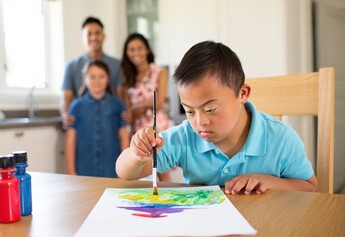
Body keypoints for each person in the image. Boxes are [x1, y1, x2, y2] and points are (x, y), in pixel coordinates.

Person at [116, 40, 318, 194]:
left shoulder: (280, 138)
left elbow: (310, 188)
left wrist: (267, 181)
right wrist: (136, 154)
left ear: (242, 94)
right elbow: (125, 172)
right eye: (189, 111)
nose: (200, 121)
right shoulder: (185, 137)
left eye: (210, 109)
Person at [65, 60, 129, 178]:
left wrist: (123, 171)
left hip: (111, 169)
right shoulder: (76, 106)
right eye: (92, 77)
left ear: (108, 78)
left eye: (101, 76)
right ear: (85, 79)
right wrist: (71, 172)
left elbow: (124, 138)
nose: (97, 81)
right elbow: (70, 141)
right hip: (84, 169)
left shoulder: (118, 105)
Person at [60, 16, 124, 127]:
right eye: (89, 34)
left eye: (97, 33)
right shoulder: (71, 66)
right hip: (82, 125)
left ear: (104, 36)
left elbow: (121, 96)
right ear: (82, 39)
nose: (94, 37)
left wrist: (125, 115)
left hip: (111, 124)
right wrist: (65, 115)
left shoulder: (117, 65)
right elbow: (66, 98)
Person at [121, 33, 173, 135]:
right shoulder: (127, 79)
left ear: (147, 50)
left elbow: (159, 103)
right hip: (137, 133)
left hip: (159, 128)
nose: (136, 52)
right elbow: (129, 113)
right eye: (131, 49)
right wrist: (148, 103)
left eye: (140, 48)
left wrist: (136, 107)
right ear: (126, 53)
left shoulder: (160, 72)